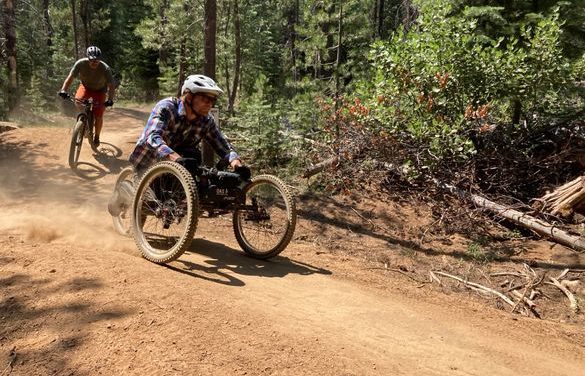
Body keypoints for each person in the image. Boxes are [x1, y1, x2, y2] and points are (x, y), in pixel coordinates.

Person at [129, 74, 243, 177]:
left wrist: (236, 163)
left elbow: (223, 146)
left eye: (213, 100)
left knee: (194, 156)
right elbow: (152, 137)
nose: (210, 104)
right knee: (148, 199)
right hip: (147, 162)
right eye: (205, 98)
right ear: (189, 97)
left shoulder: (206, 120)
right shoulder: (166, 108)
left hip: (176, 168)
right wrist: (177, 159)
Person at [58, 46, 116, 147]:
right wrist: (63, 90)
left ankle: (97, 136)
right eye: (91, 60)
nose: (94, 63)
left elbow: (111, 86)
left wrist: (110, 99)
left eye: (96, 61)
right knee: (78, 101)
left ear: (100, 60)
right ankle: (83, 121)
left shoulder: (105, 68)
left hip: (100, 90)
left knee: (99, 115)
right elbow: (70, 78)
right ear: (88, 58)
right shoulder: (80, 64)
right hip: (86, 87)